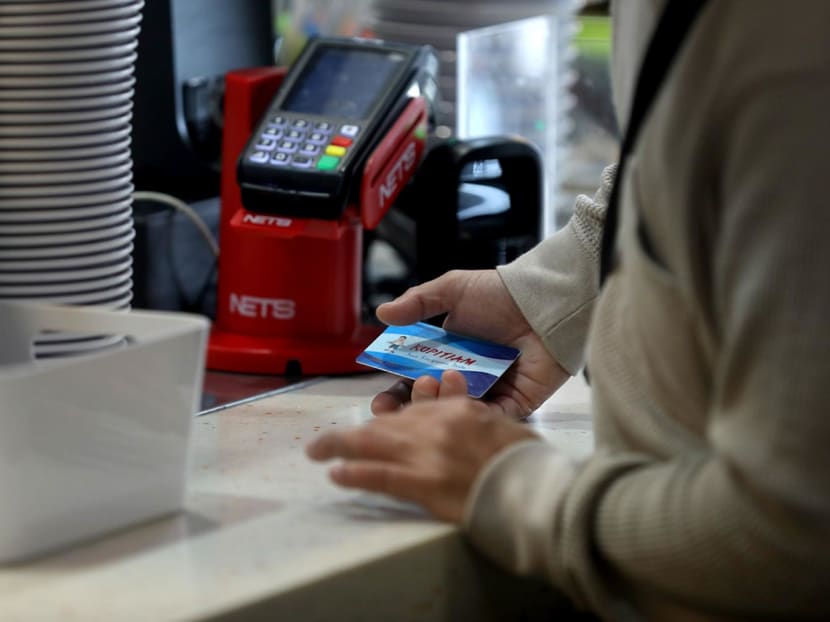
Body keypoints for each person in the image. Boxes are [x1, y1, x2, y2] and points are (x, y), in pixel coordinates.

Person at [307, 1, 830, 619]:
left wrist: (507, 485)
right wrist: (559, 289)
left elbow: (786, 541)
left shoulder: (793, 47)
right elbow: (690, 151)